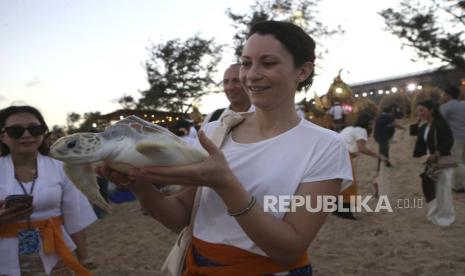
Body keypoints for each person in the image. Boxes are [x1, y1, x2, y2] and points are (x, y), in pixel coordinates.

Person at [99, 21, 352, 275]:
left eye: (268, 63)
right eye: (246, 63)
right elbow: (181, 218)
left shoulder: (325, 146)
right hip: (196, 265)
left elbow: (289, 250)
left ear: (303, 71)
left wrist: (225, 183)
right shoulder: (215, 133)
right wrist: (140, 185)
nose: (251, 74)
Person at [0, 105, 97, 276]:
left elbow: (74, 216)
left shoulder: (62, 169)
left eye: (35, 129)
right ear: (3, 136)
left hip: (54, 254)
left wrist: (84, 260)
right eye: (16, 130)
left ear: (43, 133)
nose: (27, 135)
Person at [410, 100, 455, 226]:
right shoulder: (426, 126)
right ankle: (435, 214)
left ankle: (447, 217)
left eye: (422, 110)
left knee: (443, 190)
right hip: (431, 161)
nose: (419, 113)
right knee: (431, 189)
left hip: (442, 161)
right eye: (418, 110)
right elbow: (413, 132)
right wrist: (419, 120)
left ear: (431, 110)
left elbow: (449, 140)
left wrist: (438, 152)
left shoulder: (440, 123)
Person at [337, 112, 388, 218]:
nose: (372, 126)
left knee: (341, 183)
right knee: (349, 185)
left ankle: (337, 210)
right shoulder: (361, 130)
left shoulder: (349, 128)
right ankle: (345, 212)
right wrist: (378, 156)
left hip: (335, 155)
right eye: (371, 124)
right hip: (343, 156)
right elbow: (362, 148)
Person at [440, 86, 465, 193]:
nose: (443, 96)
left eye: (444, 94)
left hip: (455, 136)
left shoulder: (445, 107)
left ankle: (459, 185)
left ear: (448, 95)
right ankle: (454, 182)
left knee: (456, 161)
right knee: (462, 160)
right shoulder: (462, 105)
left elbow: (441, 123)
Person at [373, 104, 405, 168]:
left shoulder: (381, 116)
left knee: (382, 150)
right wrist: (403, 128)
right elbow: (394, 125)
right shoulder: (388, 117)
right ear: (390, 111)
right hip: (382, 137)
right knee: (384, 151)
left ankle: (381, 165)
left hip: (378, 136)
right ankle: (385, 164)